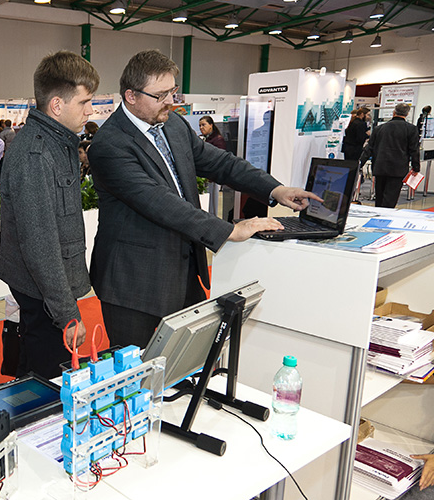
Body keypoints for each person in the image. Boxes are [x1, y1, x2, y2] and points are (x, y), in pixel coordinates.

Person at [88, 50, 320, 349]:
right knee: (140, 370)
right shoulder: (109, 144)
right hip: (133, 282)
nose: (170, 102)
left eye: (172, 92)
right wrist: (229, 230)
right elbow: (157, 201)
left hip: (183, 271)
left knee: (187, 363)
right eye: (160, 95)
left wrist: (275, 190)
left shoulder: (173, 125)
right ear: (131, 96)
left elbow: (221, 163)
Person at [0, 51, 100, 379]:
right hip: (42, 292)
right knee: (50, 381)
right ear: (57, 105)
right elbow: (39, 243)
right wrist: (67, 315)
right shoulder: (36, 154)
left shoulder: (57, 144)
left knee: (33, 373)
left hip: (45, 290)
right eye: (84, 102)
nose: (90, 110)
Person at [360, 103, 420, 208]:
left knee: (379, 198)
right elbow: (414, 150)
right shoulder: (411, 129)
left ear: (394, 112)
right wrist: (416, 167)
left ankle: (378, 215)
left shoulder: (379, 128)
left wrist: (360, 163)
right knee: (390, 199)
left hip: (380, 166)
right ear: (407, 114)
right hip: (398, 168)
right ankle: (385, 216)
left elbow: (369, 148)